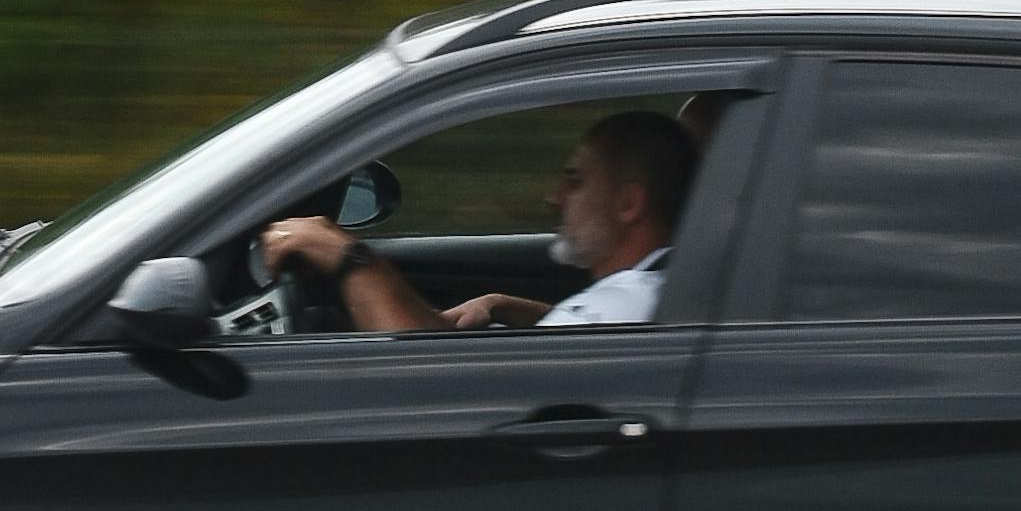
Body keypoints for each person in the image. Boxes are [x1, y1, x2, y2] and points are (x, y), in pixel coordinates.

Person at [259, 111, 696, 339]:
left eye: (575, 181)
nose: (554, 198)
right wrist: (502, 305)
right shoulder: (651, 290)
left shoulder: (624, 303)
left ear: (628, 204)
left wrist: (345, 256)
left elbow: (424, 377)